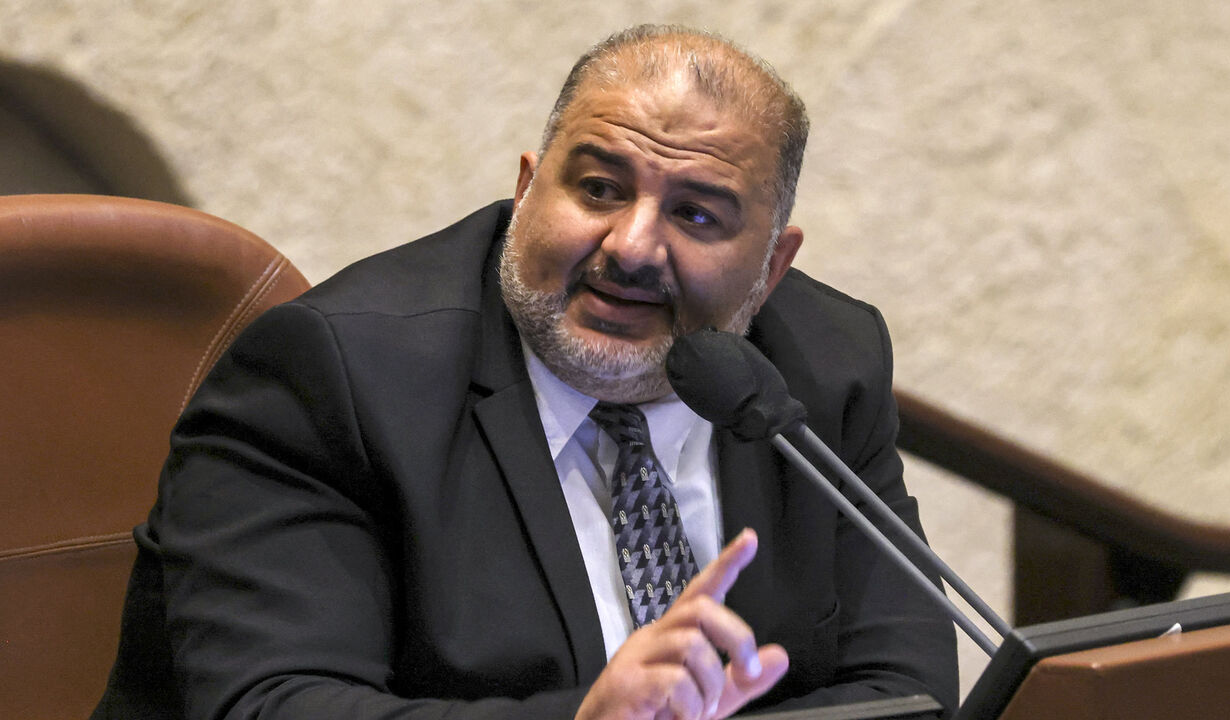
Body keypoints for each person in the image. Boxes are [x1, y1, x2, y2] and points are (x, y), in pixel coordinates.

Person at [94, 24, 958, 720]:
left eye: (696, 214)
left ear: (771, 268)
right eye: (598, 189)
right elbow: (274, 702)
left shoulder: (824, 365)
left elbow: (908, 691)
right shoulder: (333, 377)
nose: (631, 247)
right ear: (527, 189)